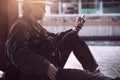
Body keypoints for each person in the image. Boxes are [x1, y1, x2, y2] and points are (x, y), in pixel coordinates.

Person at [5, 0, 120, 80]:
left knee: (72, 36)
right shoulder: (20, 25)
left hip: (50, 64)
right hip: (38, 74)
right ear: (32, 6)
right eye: (43, 6)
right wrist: (44, 66)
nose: (45, 9)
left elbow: (54, 38)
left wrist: (74, 29)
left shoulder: (35, 25)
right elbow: (17, 52)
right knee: (82, 76)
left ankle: (94, 69)